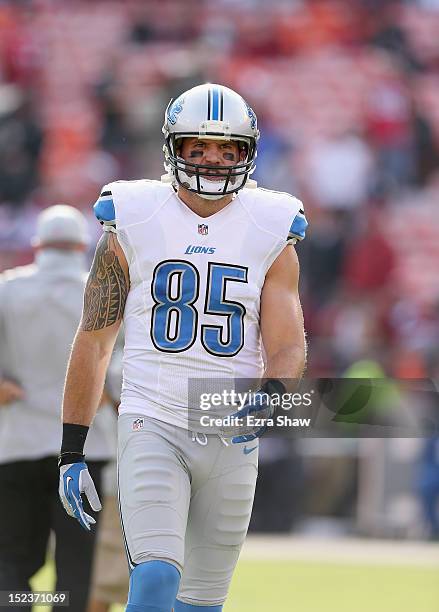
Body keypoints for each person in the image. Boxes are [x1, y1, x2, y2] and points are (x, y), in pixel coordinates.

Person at [58, 83, 308, 612]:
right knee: (153, 581)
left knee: (201, 604)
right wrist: (72, 450)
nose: (213, 160)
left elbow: (286, 346)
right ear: (174, 148)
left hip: (229, 425)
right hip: (154, 417)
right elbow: (95, 338)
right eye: (199, 147)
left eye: (228, 149)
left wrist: (274, 396)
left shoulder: (271, 226)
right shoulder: (134, 215)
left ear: (248, 153)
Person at [0, 205, 112, 612]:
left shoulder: (7, 289)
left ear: (38, 244)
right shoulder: (100, 291)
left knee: (12, 559)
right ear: (83, 244)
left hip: (16, 442)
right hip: (85, 446)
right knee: (76, 561)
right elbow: (115, 372)